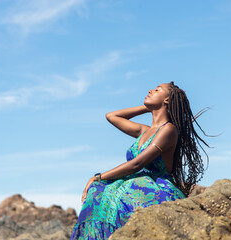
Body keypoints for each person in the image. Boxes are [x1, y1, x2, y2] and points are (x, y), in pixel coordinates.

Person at [70, 82, 210, 240]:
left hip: (155, 187)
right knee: (97, 190)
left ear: (167, 100)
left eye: (157, 90)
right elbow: (112, 116)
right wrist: (149, 107)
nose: (150, 90)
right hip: (135, 182)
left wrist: (97, 176)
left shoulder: (169, 130)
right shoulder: (144, 131)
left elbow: (136, 164)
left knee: (99, 185)